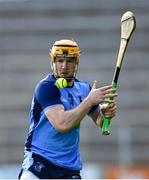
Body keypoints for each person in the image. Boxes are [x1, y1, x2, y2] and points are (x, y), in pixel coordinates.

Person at [18, 39, 117, 179]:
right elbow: (62, 124)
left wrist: (106, 115)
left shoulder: (84, 89)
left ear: (76, 63)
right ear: (53, 62)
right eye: (59, 60)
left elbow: (100, 121)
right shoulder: (46, 87)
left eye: (70, 61)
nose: (64, 66)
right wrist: (89, 101)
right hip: (39, 162)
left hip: (69, 167)